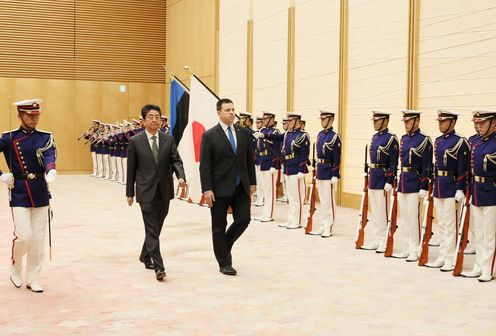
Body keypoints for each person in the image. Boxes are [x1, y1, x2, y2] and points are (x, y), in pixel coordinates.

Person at [0, 99, 57, 293]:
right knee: (24, 236)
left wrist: (51, 170)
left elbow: (49, 155)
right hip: (19, 191)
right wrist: (1, 176)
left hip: (40, 190)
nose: (34, 118)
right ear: (20, 115)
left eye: (37, 115)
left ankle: (34, 277)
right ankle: (15, 268)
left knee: (38, 239)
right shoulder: (8, 137)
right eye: (30, 115)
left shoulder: (45, 137)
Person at [126, 104, 186, 281]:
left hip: (164, 190)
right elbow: (131, 169)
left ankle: (145, 254)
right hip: (145, 190)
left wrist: (181, 176)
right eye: (151, 117)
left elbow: (176, 160)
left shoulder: (168, 139)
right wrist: (130, 192)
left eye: (157, 116)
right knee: (152, 228)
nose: (154, 120)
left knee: (157, 226)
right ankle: (159, 267)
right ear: (143, 121)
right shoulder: (135, 141)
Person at [199, 98, 256, 276]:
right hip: (218, 188)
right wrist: (207, 188)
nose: (232, 113)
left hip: (240, 186)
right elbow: (205, 165)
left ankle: (224, 245)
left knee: (243, 219)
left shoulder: (243, 133)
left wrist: (252, 182)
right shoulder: (209, 135)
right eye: (227, 110)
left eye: (233, 109)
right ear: (219, 113)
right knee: (219, 225)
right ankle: (224, 262)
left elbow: (249, 159)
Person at [424, 110, 468, 271]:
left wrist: (460, 188)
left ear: (453, 122)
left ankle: (451, 258)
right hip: (440, 187)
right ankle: (443, 255)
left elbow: (463, 168)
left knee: (451, 225)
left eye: (443, 121)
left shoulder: (460, 142)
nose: (440, 124)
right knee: (441, 224)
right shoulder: (438, 141)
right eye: (439, 121)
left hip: (452, 187)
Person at [393, 110, 433, 262]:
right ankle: (406, 246)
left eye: (408, 121)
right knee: (404, 217)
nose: (406, 124)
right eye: (404, 121)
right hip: (404, 181)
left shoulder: (424, 140)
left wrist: (424, 185)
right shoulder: (403, 139)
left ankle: (415, 248)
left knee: (414, 217)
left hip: (416, 182)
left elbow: (427, 165)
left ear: (417, 121)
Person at [462, 110, 496, 282]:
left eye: (482, 123)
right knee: (479, 233)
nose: (479, 126)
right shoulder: (476, 143)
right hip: (477, 191)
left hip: (492, 194)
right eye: (478, 123)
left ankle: (488, 270)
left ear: (493, 123)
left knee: (489, 235)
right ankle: (478, 266)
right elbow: (471, 170)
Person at [360, 111, 398, 251]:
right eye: (374, 121)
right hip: (373, 177)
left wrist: (390, 179)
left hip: (383, 179)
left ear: (385, 121)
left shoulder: (391, 139)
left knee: (383, 212)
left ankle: (384, 241)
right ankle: (376, 239)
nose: (374, 123)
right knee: (375, 212)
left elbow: (393, 162)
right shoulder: (375, 137)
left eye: (377, 120)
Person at [309, 110, 342, 237]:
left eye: (324, 119)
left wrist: (335, 173)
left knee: (329, 201)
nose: (322, 121)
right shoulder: (320, 135)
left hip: (329, 171)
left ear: (331, 120)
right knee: (322, 200)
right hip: (321, 170)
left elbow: (337, 157)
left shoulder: (334, 136)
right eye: (321, 119)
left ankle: (328, 226)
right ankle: (323, 225)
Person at [255, 111, 281, 222]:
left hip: (270, 162)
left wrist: (274, 165)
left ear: (271, 119)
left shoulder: (275, 131)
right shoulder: (262, 130)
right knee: (265, 189)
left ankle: (269, 214)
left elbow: (277, 149)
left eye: (265, 119)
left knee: (270, 190)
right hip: (263, 161)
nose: (264, 120)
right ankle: (265, 212)